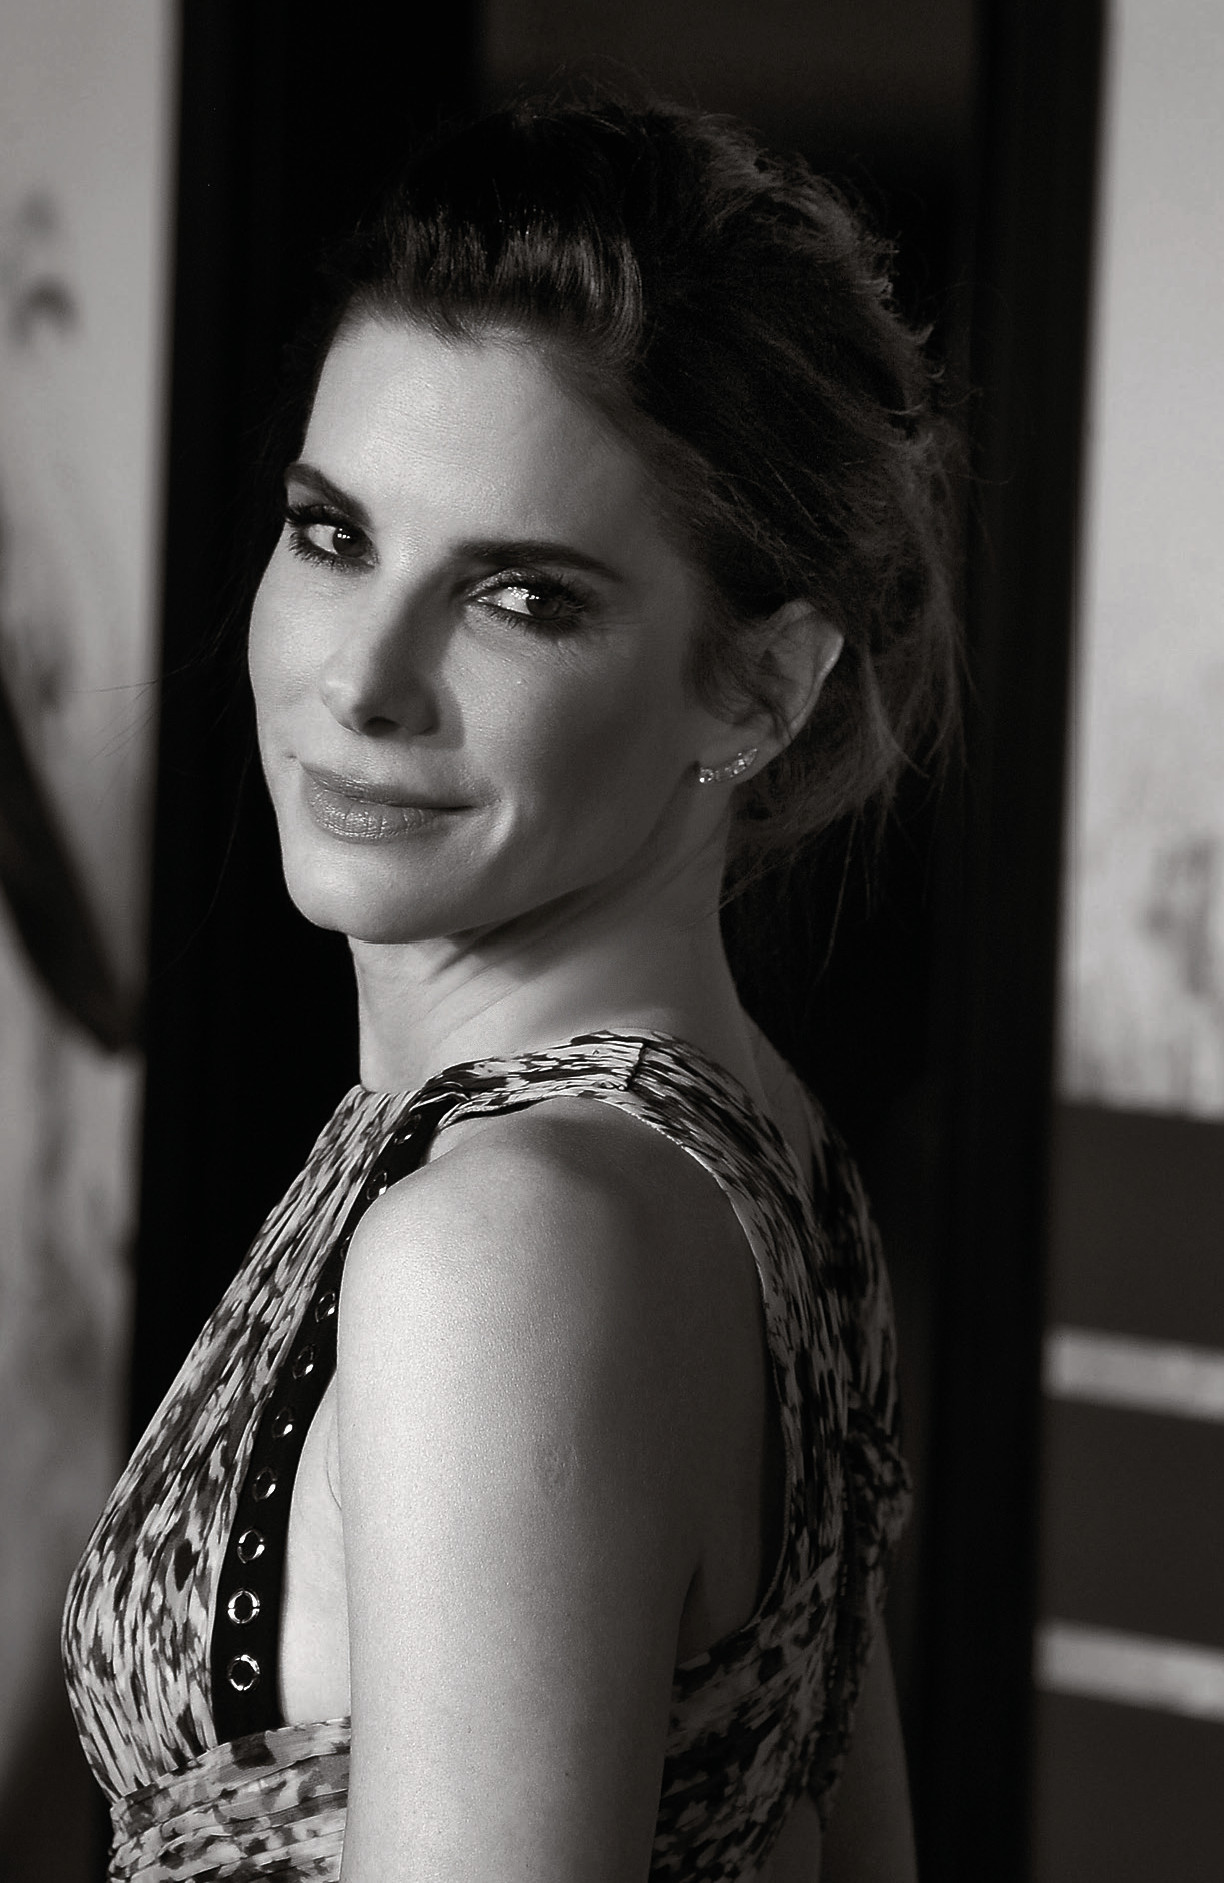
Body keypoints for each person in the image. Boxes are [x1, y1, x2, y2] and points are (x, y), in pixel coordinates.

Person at [62, 89, 956, 1882]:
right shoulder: (752, 1139)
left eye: (522, 598)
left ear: (760, 688)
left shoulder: (510, 1247)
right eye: (333, 534)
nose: (363, 681)